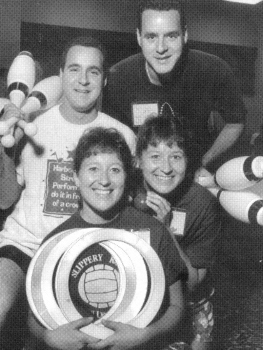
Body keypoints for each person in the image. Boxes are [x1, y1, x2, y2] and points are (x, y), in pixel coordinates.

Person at [0, 36, 136, 346]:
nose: (84, 80)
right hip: (25, 245)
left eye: (94, 71)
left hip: (85, 252)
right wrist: (2, 147)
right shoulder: (32, 125)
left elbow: (126, 205)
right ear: (60, 76)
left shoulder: (123, 136)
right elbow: (6, 198)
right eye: (74, 70)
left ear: (104, 79)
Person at [27, 127, 186, 350]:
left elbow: (177, 306)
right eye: (93, 169)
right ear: (75, 177)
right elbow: (35, 315)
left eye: (115, 170)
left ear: (127, 176)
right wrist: (48, 337)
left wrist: (147, 334)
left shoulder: (152, 230)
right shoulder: (56, 241)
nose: (104, 180)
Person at [102, 0, 246, 172]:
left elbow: (236, 122)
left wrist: (203, 162)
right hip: (140, 174)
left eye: (171, 36)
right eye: (151, 37)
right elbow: (109, 135)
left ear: (185, 35)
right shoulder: (118, 78)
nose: (161, 48)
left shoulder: (213, 70)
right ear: (139, 37)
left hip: (194, 171)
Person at [133, 115, 222, 349]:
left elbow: (193, 284)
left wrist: (164, 229)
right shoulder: (123, 193)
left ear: (188, 161)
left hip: (190, 304)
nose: (165, 168)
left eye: (176, 157)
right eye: (155, 156)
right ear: (138, 161)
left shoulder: (203, 204)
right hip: (137, 298)